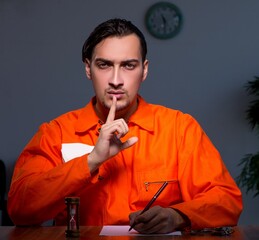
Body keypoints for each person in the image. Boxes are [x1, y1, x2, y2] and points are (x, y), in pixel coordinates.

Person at [8, 18, 242, 234]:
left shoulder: (179, 128)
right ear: (88, 69)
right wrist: (91, 161)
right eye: (104, 65)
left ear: (145, 70)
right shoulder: (55, 132)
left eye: (129, 65)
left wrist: (177, 216)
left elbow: (227, 201)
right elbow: (19, 209)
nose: (116, 80)